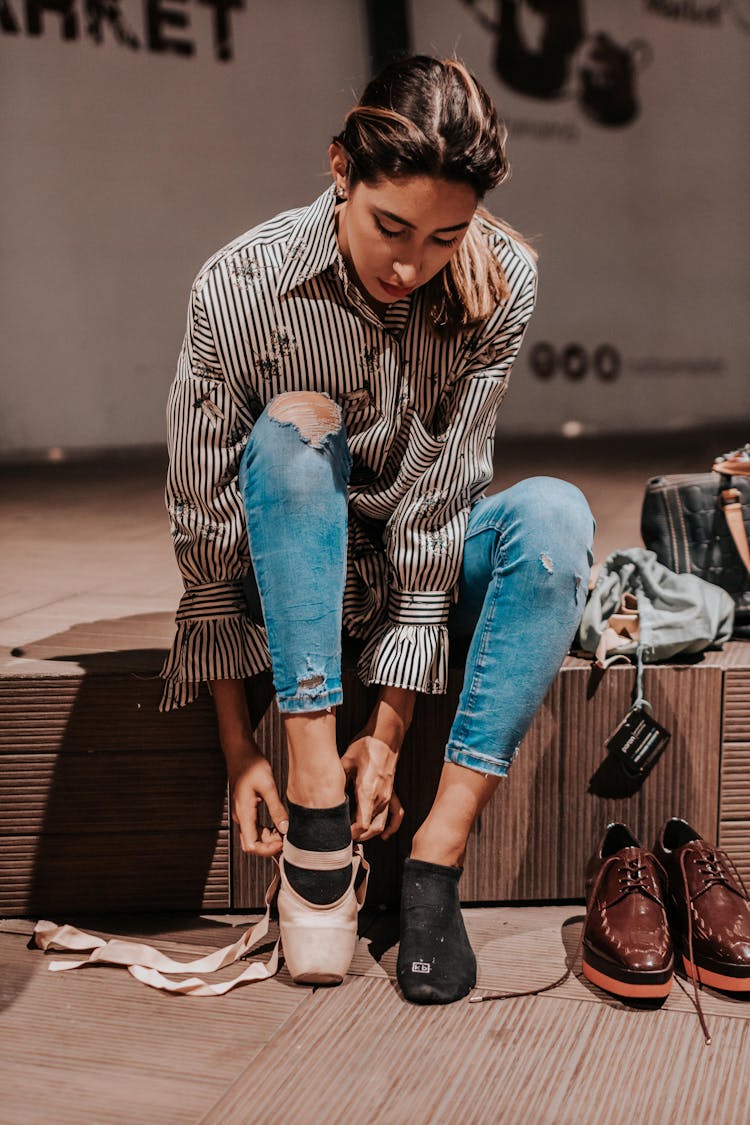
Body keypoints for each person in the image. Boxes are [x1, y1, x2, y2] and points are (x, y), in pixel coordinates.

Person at [160, 54, 594, 1004]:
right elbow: (207, 545)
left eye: (445, 237)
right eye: (389, 227)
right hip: (292, 562)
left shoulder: (501, 278)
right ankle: (317, 799)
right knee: (294, 425)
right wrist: (245, 747)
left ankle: (435, 857)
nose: (411, 265)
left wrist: (392, 730)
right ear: (339, 170)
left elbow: (442, 506)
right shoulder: (240, 284)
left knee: (557, 515)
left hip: (412, 575)